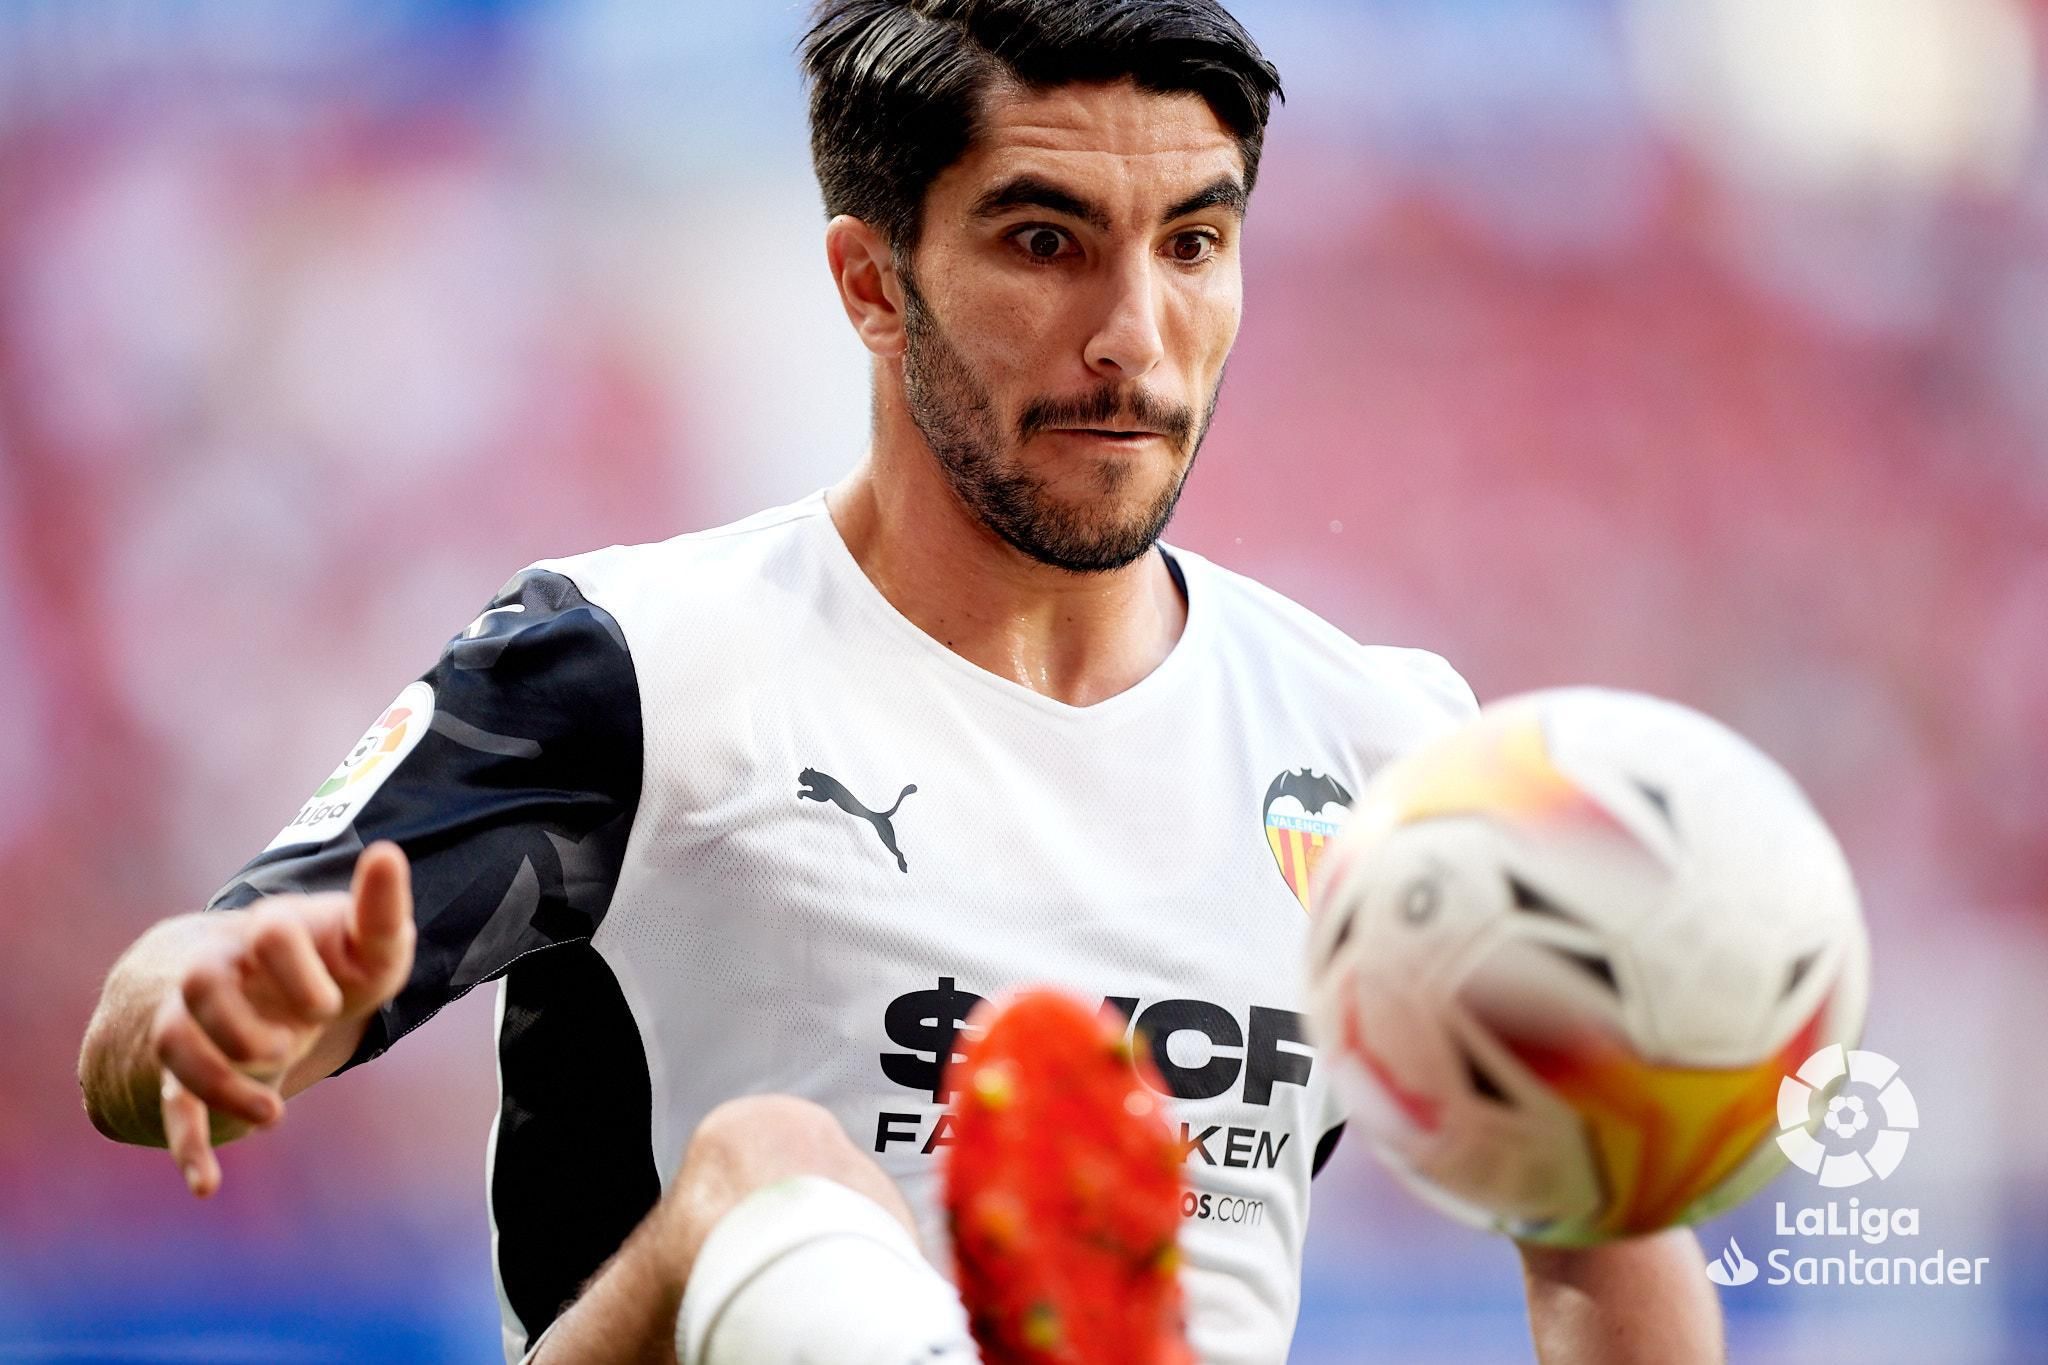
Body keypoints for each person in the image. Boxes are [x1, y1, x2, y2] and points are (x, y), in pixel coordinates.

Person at [78, 1, 1725, 1361]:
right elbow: (152, 1035)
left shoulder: (1383, 746)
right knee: (767, 1172)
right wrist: (213, 1011)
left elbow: (1600, 1242)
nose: (1135, 338)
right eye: (1045, 241)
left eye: (1195, 242)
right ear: (872, 283)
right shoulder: (636, 663)